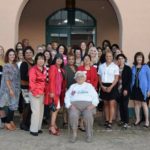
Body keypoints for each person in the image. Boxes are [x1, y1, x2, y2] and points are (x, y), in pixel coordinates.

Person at [65, 71, 99, 143]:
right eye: (78, 77)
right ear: (75, 78)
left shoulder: (89, 86)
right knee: (73, 115)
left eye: (82, 76)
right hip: (75, 107)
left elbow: (95, 96)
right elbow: (67, 97)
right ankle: (74, 134)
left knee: (88, 116)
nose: (80, 78)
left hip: (88, 107)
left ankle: (89, 134)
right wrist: (69, 105)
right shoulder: (73, 86)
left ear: (85, 78)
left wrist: (93, 105)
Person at [98, 50, 119, 130]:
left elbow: (116, 78)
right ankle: (106, 120)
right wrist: (102, 86)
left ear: (112, 57)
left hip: (112, 86)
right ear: (105, 57)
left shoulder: (115, 66)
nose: (108, 57)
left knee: (111, 104)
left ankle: (110, 121)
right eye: (107, 56)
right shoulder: (101, 66)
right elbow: (99, 78)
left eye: (110, 56)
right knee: (106, 104)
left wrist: (111, 87)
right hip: (103, 85)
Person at [0, 49, 20, 131]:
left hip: (15, 88)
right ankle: (7, 122)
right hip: (7, 88)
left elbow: (18, 77)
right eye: (10, 55)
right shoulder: (6, 66)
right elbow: (7, 79)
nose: (12, 56)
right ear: (7, 56)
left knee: (13, 105)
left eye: (13, 55)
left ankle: (8, 122)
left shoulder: (15, 65)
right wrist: (10, 89)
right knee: (7, 106)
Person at [45, 53, 66, 136]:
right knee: (55, 109)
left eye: (61, 58)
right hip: (54, 93)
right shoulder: (53, 67)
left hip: (59, 92)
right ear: (55, 59)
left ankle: (53, 124)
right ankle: (52, 127)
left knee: (54, 109)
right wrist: (52, 92)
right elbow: (51, 80)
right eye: (57, 58)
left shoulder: (61, 69)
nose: (59, 60)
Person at [130, 52, 150, 128]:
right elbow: (132, 79)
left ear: (142, 58)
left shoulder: (146, 67)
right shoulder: (133, 67)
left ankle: (147, 121)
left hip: (143, 89)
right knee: (136, 104)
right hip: (135, 88)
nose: (139, 58)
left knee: (144, 104)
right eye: (138, 57)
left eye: (140, 57)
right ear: (135, 58)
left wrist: (149, 90)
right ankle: (138, 119)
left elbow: (149, 79)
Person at [29, 53, 46, 136]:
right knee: (35, 111)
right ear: (36, 60)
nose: (41, 60)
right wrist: (35, 93)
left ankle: (38, 128)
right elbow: (32, 82)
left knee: (41, 111)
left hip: (42, 93)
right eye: (39, 59)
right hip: (34, 93)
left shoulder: (44, 69)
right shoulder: (33, 69)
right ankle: (33, 129)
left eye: (42, 59)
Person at [19, 46, 34, 131]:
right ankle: (23, 124)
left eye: (30, 52)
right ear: (24, 55)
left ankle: (28, 123)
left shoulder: (34, 62)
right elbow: (23, 77)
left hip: (32, 88)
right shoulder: (24, 63)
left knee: (31, 106)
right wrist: (33, 78)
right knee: (27, 106)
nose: (29, 54)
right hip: (25, 88)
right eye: (27, 53)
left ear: (32, 53)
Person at [116, 54, 132, 129]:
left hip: (125, 89)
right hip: (118, 90)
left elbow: (129, 80)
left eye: (122, 58)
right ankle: (122, 120)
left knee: (125, 106)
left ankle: (126, 122)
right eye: (119, 58)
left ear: (124, 59)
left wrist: (126, 89)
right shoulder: (116, 68)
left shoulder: (128, 68)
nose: (120, 60)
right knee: (121, 106)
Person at [63, 54, 77, 128]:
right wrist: (65, 88)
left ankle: (71, 121)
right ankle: (65, 121)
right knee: (66, 105)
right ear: (67, 60)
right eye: (69, 59)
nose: (71, 60)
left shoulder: (76, 67)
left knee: (73, 106)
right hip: (67, 88)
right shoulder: (65, 68)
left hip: (75, 90)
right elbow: (63, 79)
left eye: (72, 59)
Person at [43, 50, 52, 124]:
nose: (47, 55)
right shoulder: (41, 64)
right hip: (42, 85)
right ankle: (42, 116)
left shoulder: (51, 65)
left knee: (48, 101)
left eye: (48, 54)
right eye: (45, 54)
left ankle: (46, 117)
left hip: (49, 85)